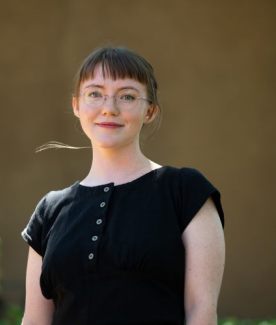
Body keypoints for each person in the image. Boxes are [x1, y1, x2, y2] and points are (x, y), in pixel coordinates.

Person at [21, 46, 225, 325]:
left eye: (127, 96)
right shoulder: (50, 210)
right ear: (76, 106)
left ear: (150, 110)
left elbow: (201, 310)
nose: (109, 108)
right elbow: (34, 320)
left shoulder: (185, 191)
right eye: (95, 94)